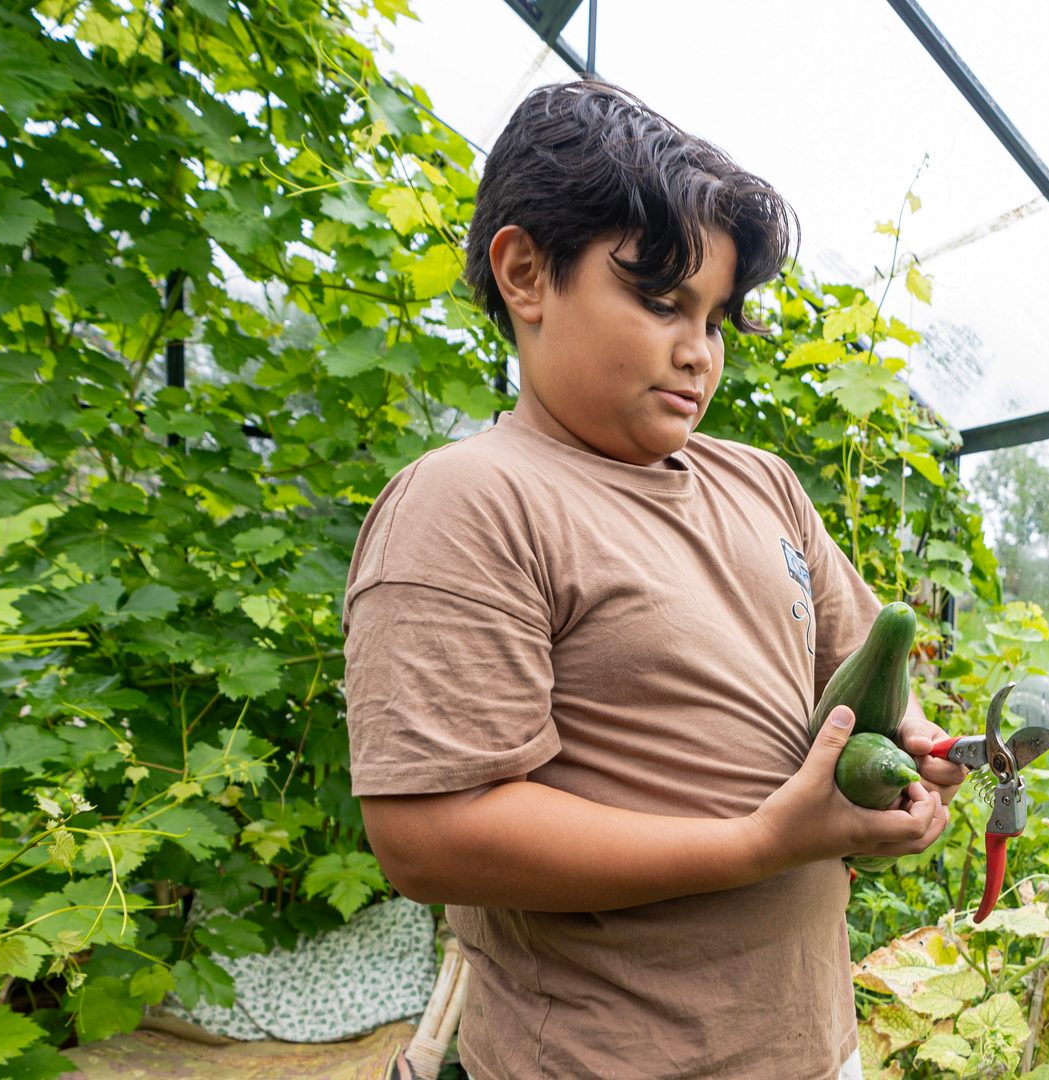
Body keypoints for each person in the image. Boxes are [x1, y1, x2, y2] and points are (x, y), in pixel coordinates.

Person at [341, 80, 966, 1080]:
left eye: (715, 319)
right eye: (661, 301)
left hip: (811, 1048)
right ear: (526, 272)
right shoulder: (471, 503)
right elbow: (429, 836)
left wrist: (917, 761)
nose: (698, 354)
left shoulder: (761, 484)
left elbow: (864, 690)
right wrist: (760, 843)